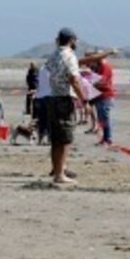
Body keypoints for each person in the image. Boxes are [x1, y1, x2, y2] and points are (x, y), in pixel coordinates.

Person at [46, 28, 88, 184]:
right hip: (64, 99)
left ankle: (58, 171)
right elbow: (74, 80)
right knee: (65, 138)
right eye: (75, 40)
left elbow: (49, 70)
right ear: (71, 40)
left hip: (53, 98)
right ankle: (59, 174)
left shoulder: (54, 54)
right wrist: (84, 99)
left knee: (56, 139)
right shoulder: (69, 56)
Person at [79, 50, 117, 146]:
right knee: (101, 118)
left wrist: (89, 83)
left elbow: (102, 81)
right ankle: (105, 138)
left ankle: (108, 139)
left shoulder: (105, 66)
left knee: (105, 118)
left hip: (105, 95)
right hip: (98, 95)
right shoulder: (96, 67)